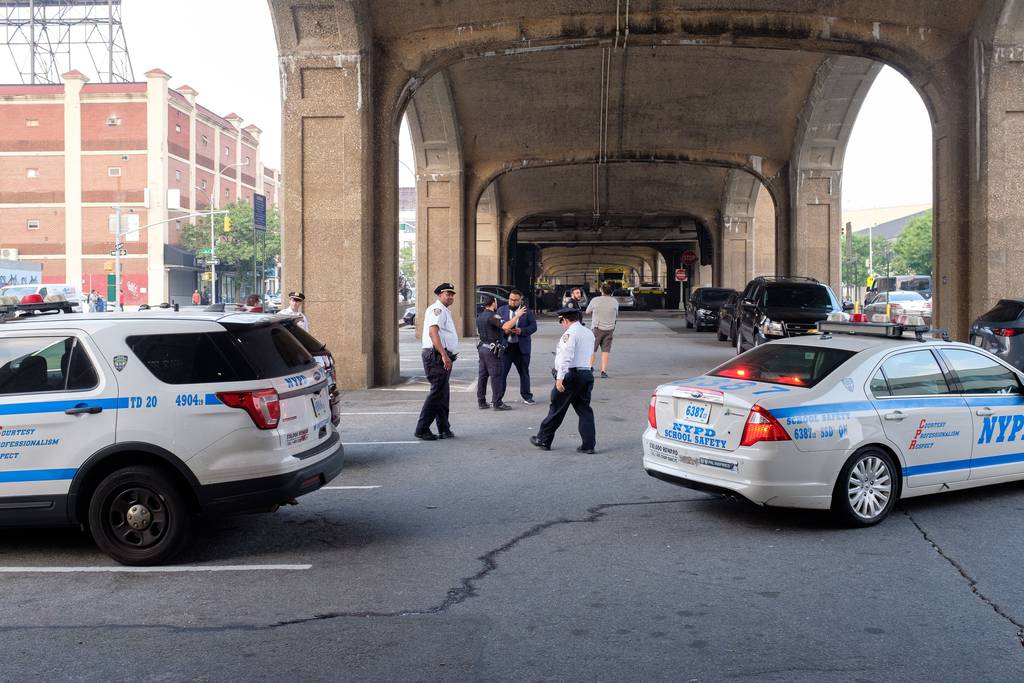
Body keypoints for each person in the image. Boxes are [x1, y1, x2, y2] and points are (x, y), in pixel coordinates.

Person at [530, 307, 596, 453]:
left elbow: (566, 357)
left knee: (556, 408)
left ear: (565, 320)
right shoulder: (588, 333)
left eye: (561, 321)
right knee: (584, 411)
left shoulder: (570, 334)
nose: (562, 324)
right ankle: (588, 445)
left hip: (571, 376)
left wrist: (559, 379)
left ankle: (543, 439)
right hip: (586, 374)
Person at [415, 282, 459, 440]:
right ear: (439, 294)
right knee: (437, 393)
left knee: (442, 393)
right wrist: (443, 355)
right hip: (435, 356)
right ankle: (422, 428)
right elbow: (433, 332)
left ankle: (444, 428)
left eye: (452, 294)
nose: (451, 296)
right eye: (447, 293)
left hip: (440, 355)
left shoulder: (444, 310)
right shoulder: (438, 310)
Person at [497, 289, 537, 405]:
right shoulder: (501, 310)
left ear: (521, 300)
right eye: (510, 299)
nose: (512, 302)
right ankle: (498, 397)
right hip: (506, 348)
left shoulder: (526, 312)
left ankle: (527, 396)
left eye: (515, 300)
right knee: (502, 374)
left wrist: (522, 331)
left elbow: (534, 326)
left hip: (522, 348)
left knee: (524, 373)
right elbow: (497, 327)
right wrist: (505, 332)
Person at [476, 295, 510, 410]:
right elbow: (504, 326)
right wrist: (518, 316)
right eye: (495, 302)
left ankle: (481, 401)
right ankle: (497, 402)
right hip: (492, 349)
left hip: (482, 347)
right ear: (493, 303)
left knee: (483, 375)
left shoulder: (480, 316)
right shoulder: (493, 316)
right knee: (496, 375)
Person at [586, 282, 619, 378]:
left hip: (597, 328)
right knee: (605, 351)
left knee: (592, 350)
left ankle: (590, 368)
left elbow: (587, 311)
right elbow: (616, 314)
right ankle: (603, 371)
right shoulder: (615, 302)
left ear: (601, 290)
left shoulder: (595, 300)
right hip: (609, 329)